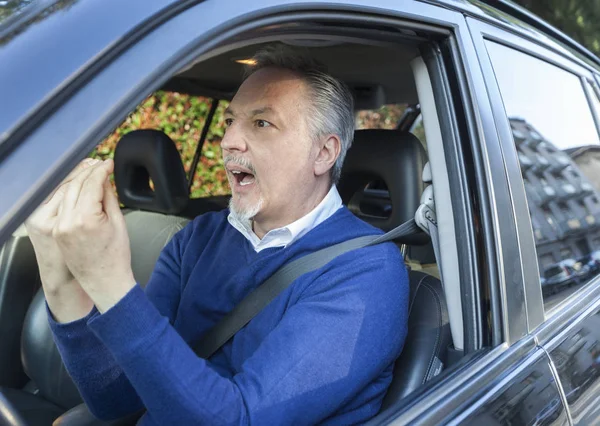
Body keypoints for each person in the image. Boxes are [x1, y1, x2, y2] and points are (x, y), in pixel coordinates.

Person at [25, 46, 409, 425]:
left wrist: (111, 282)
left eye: (261, 123)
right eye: (229, 122)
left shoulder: (368, 273)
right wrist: (58, 276)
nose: (228, 142)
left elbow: (238, 420)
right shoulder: (199, 237)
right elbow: (116, 399)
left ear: (324, 153)